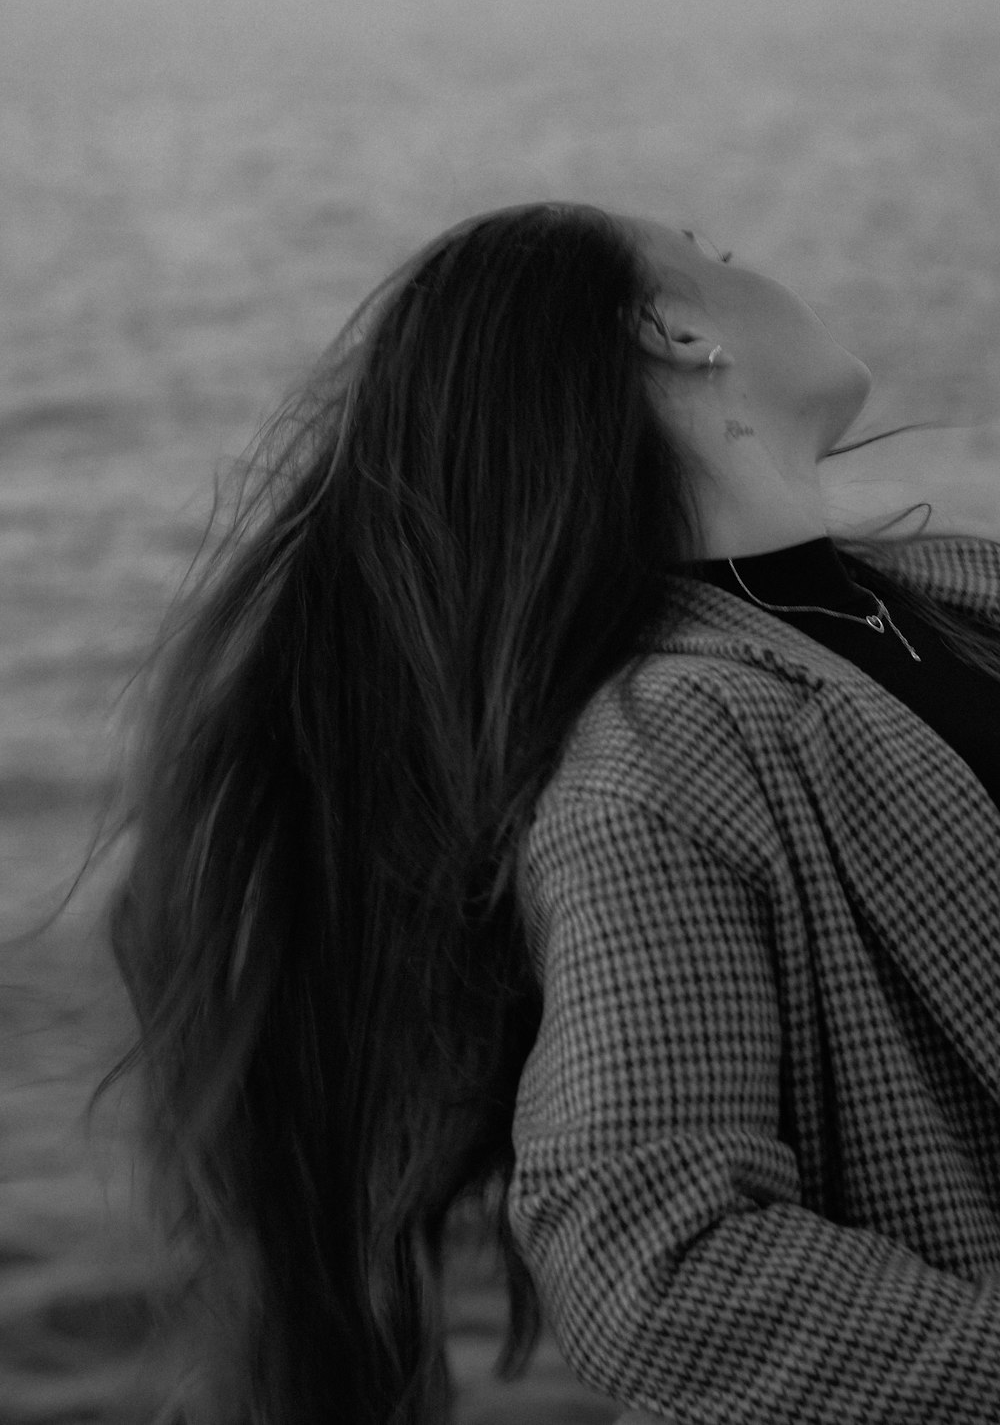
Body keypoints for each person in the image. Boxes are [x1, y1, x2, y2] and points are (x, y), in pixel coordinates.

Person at [36, 200, 1000, 1421]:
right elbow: (657, 1256)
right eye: (709, 254)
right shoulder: (664, 751)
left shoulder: (947, 592)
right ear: (671, 329)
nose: (748, 260)